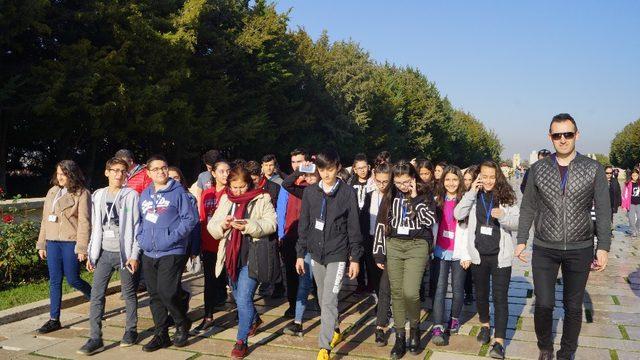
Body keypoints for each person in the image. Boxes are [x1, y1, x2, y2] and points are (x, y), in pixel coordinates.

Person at [516, 113, 611, 360]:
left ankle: (566, 352)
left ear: (576, 135)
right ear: (550, 137)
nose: (562, 139)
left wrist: (604, 246)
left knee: (572, 307)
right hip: (545, 247)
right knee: (545, 304)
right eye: (557, 135)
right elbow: (528, 207)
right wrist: (521, 239)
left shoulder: (593, 169)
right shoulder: (537, 169)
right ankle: (545, 347)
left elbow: (602, 209)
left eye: (567, 134)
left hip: (580, 247)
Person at [295, 149, 363, 360]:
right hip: (316, 254)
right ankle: (334, 330)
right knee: (323, 296)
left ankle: (324, 347)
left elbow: (354, 227)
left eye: (330, 169)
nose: (326, 174)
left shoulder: (347, 192)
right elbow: (304, 225)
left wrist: (355, 258)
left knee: (328, 301)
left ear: (338, 168)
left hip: (338, 253)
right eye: (322, 169)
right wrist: (300, 253)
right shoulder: (310, 192)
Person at [207, 166, 278, 359]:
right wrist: (223, 224)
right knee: (238, 296)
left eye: (242, 187)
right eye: (234, 187)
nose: (238, 191)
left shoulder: (262, 197)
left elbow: (272, 223)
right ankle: (254, 320)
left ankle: (241, 341)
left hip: (252, 256)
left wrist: (249, 225)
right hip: (231, 256)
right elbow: (212, 225)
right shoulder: (226, 198)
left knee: (244, 298)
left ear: (249, 183)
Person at [454, 160, 519, 359]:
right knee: (481, 294)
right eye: (485, 177)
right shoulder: (474, 195)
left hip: (500, 256)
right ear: (479, 176)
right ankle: (484, 324)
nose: (489, 181)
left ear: (497, 176)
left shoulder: (507, 196)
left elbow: (518, 222)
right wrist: (471, 192)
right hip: (479, 255)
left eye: (492, 176)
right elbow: (458, 214)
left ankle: (499, 341)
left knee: (500, 298)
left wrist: (504, 216)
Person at [373, 160, 436, 359]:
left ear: (414, 178)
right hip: (394, 245)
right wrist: (379, 252)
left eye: (406, 181)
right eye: (398, 182)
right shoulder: (391, 194)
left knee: (410, 292)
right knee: (397, 293)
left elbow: (429, 221)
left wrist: (415, 198)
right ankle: (400, 337)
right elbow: (382, 224)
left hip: (417, 245)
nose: (402, 186)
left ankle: (415, 329)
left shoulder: (425, 194)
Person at [78, 158, 141, 355]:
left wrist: (134, 255)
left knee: (129, 294)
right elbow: (95, 226)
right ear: (106, 172)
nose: (118, 174)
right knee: (96, 295)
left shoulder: (131, 195)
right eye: (114, 170)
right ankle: (95, 337)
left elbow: (138, 226)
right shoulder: (97, 195)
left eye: (122, 171)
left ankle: (131, 330)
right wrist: (91, 253)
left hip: (124, 254)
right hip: (104, 252)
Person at [137, 155, 198, 352]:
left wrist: (171, 237)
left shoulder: (177, 191)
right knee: (154, 295)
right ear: (148, 173)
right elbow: (140, 221)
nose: (161, 172)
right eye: (155, 169)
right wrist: (141, 238)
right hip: (149, 251)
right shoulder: (145, 194)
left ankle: (182, 322)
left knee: (167, 291)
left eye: (163, 168)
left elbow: (190, 219)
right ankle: (160, 334)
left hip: (172, 249)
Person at [36, 160, 93, 334]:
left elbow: (84, 222)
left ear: (72, 174)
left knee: (73, 279)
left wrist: (82, 247)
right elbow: (46, 219)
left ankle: (95, 298)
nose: (60, 177)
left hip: (70, 241)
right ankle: (54, 319)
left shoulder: (82, 193)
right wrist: (42, 243)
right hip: (52, 241)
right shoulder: (52, 191)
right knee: (54, 281)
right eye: (58, 173)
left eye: (64, 174)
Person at [430, 165, 468, 346]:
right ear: (442, 181)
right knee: (439, 289)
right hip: (440, 251)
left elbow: (471, 231)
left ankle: (454, 317)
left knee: (458, 289)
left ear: (459, 181)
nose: (451, 183)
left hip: (459, 252)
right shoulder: (436, 200)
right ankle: (437, 326)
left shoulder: (467, 201)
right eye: (447, 179)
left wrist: (468, 254)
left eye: (455, 179)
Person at [281, 161, 320, 337]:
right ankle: (298, 321)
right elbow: (286, 184)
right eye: (308, 175)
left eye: (314, 175)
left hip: (326, 247)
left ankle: (331, 321)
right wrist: (299, 171)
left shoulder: (332, 192)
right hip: (307, 245)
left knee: (323, 285)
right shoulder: (305, 192)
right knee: (304, 284)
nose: (310, 178)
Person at [193, 156, 231, 333]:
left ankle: (250, 316)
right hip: (208, 243)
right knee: (209, 281)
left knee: (233, 282)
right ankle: (208, 317)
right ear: (213, 173)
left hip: (227, 243)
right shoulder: (207, 193)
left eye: (228, 170)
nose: (226, 174)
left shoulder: (233, 192)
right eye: (221, 171)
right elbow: (202, 217)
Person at [276, 148, 311, 318]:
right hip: (290, 234)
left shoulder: (312, 182)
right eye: (294, 162)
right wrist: (280, 234)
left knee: (311, 271)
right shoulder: (288, 183)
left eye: (300, 161)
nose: (297, 165)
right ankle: (293, 305)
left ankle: (319, 301)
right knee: (290, 273)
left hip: (309, 235)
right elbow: (281, 209)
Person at [246, 160, 286, 298]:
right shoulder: (247, 188)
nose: (253, 183)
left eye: (255, 179)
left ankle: (278, 285)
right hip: (253, 228)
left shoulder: (274, 187)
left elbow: (281, 210)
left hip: (271, 227)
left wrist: (281, 231)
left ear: (260, 175)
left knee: (273, 258)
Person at [364, 163, 392, 347]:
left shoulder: (394, 197)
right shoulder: (368, 196)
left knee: (385, 283)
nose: (382, 185)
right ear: (374, 178)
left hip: (388, 244)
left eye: (385, 182)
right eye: (379, 181)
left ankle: (382, 319)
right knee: (374, 278)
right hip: (370, 240)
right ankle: (381, 303)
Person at [348, 153, 375, 293]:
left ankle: (371, 282)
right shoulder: (351, 183)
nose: (362, 170)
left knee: (370, 256)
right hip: (355, 224)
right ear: (354, 169)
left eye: (364, 167)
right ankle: (360, 283)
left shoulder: (374, 181)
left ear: (368, 167)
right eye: (359, 168)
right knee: (358, 254)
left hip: (369, 223)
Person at [461, 165, 480, 305]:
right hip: (464, 234)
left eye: (470, 179)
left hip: (478, 236)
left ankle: (476, 291)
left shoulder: (481, 195)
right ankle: (468, 293)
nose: (467, 182)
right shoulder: (462, 194)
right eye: (465, 179)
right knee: (466, 269)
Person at [622, 168, 640, 237]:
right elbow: (624, 195)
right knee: (631, 219)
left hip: (639, 204)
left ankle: (637, 229)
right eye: (633, 175)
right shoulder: (628, 184)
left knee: (639, 218)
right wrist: (624, 206)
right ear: (631, 176)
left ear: (638, 175)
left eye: (636, 175)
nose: (635, 177)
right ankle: (633, 231)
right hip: (631, 204)